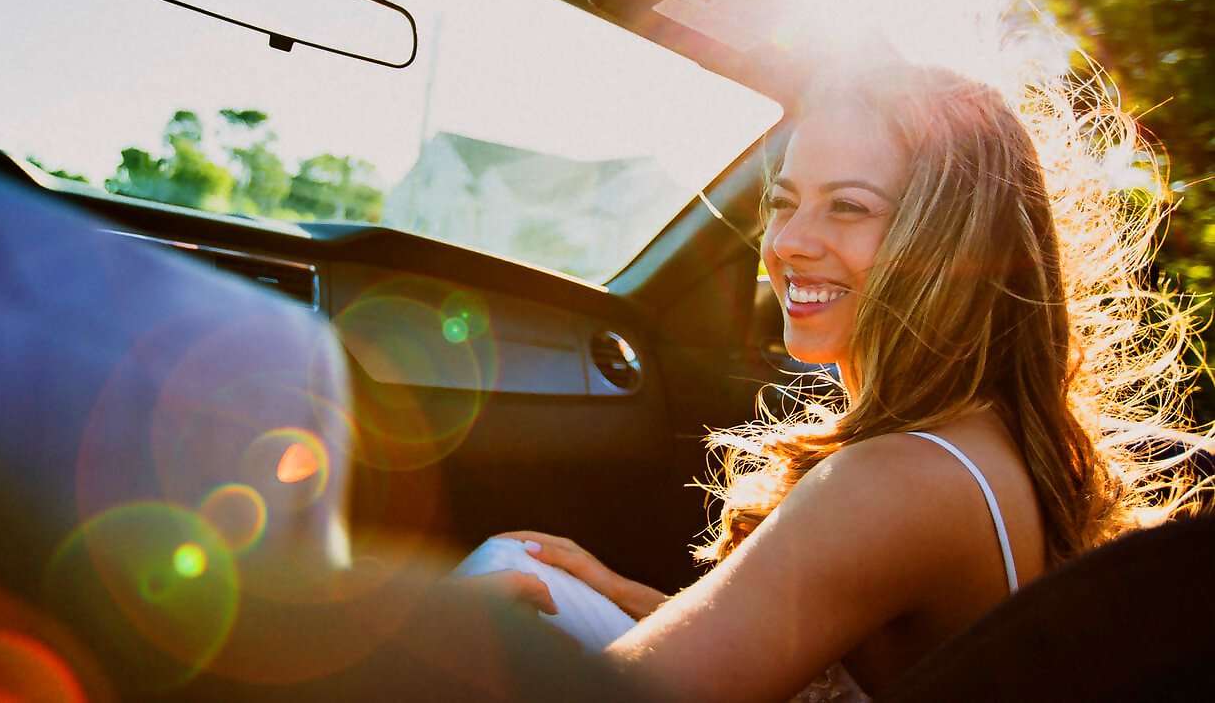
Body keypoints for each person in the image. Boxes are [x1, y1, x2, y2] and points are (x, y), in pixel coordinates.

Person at [457, 61, 1204, 701]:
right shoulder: (982, 437)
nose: (788, 242)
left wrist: (427, 646)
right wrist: (631, 600)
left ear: (954, 247)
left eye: (848, 207)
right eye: (784, 202)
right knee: (525, 563)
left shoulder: (895, 481)